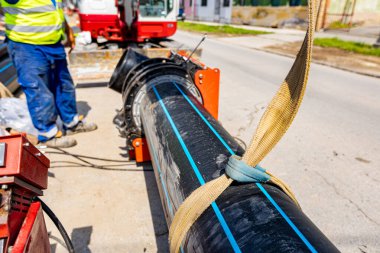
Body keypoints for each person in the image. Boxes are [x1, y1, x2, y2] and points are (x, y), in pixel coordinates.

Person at [0, 0, 97, 148]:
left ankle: (71, 123)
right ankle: (48, 134)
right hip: (26, 44)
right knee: (38, 90)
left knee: (64, 84)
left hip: (53, 41)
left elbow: (53, 7)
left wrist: (66, 28)